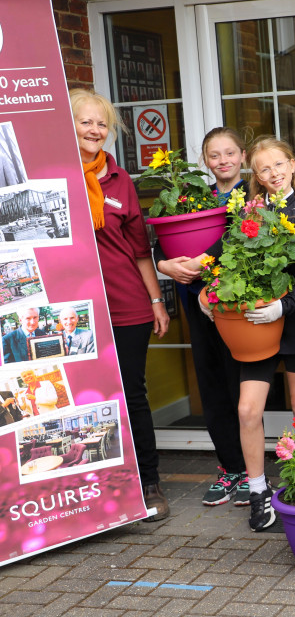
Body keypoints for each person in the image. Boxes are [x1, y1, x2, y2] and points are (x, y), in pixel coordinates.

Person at [70, 88, 170, 522]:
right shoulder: (50, 176)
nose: (95, 130)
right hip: (71, 310)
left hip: (125, 305)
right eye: (85, 121)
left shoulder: (120, 180)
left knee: (131, 395)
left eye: (101, 123)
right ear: (65, 123)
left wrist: (156, 302)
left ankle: (147, 483)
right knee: (80, 400)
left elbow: (140, 251)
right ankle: (86, 489)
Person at [214, 136, 295, 532]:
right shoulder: (247, 213)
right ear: (255, 176)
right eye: (263, 169)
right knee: (247, 410)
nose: (273, 173)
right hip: (255, 324)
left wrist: (282, 306)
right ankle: (258, 490)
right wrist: (213, 290)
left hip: (294, 324)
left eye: (278, 165)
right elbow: (226, 259)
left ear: (292, 165)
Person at [156, 128, 248, 507]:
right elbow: (163, 237)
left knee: (239, 386)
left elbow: (238, 239)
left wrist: (202, 261)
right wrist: (165, 264)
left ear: (243, 155)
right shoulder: (191, 198)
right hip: (196, 301)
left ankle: (251, 470)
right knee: (211, 387)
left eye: (230, 153)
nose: (223, 160)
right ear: (204, 161)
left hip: (236, 307)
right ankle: (230, 468)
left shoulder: (255, 198)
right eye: (214, 155)